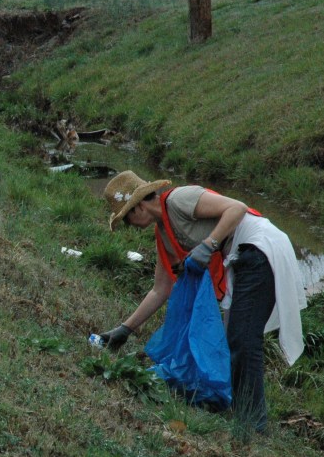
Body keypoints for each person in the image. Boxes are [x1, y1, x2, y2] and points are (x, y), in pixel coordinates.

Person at [97, 170, 306, 432]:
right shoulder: (164, 235)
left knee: (243, 339)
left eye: (125, 218)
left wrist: (208, 244)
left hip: (259, 247)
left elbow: (236, 208)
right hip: (240, 258)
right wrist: (124, 330)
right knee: (234, 339)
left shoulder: (180, 199)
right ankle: (241, 412)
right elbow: (160, 290)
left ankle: (253, 423)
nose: (128, 225)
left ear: (138, 207)